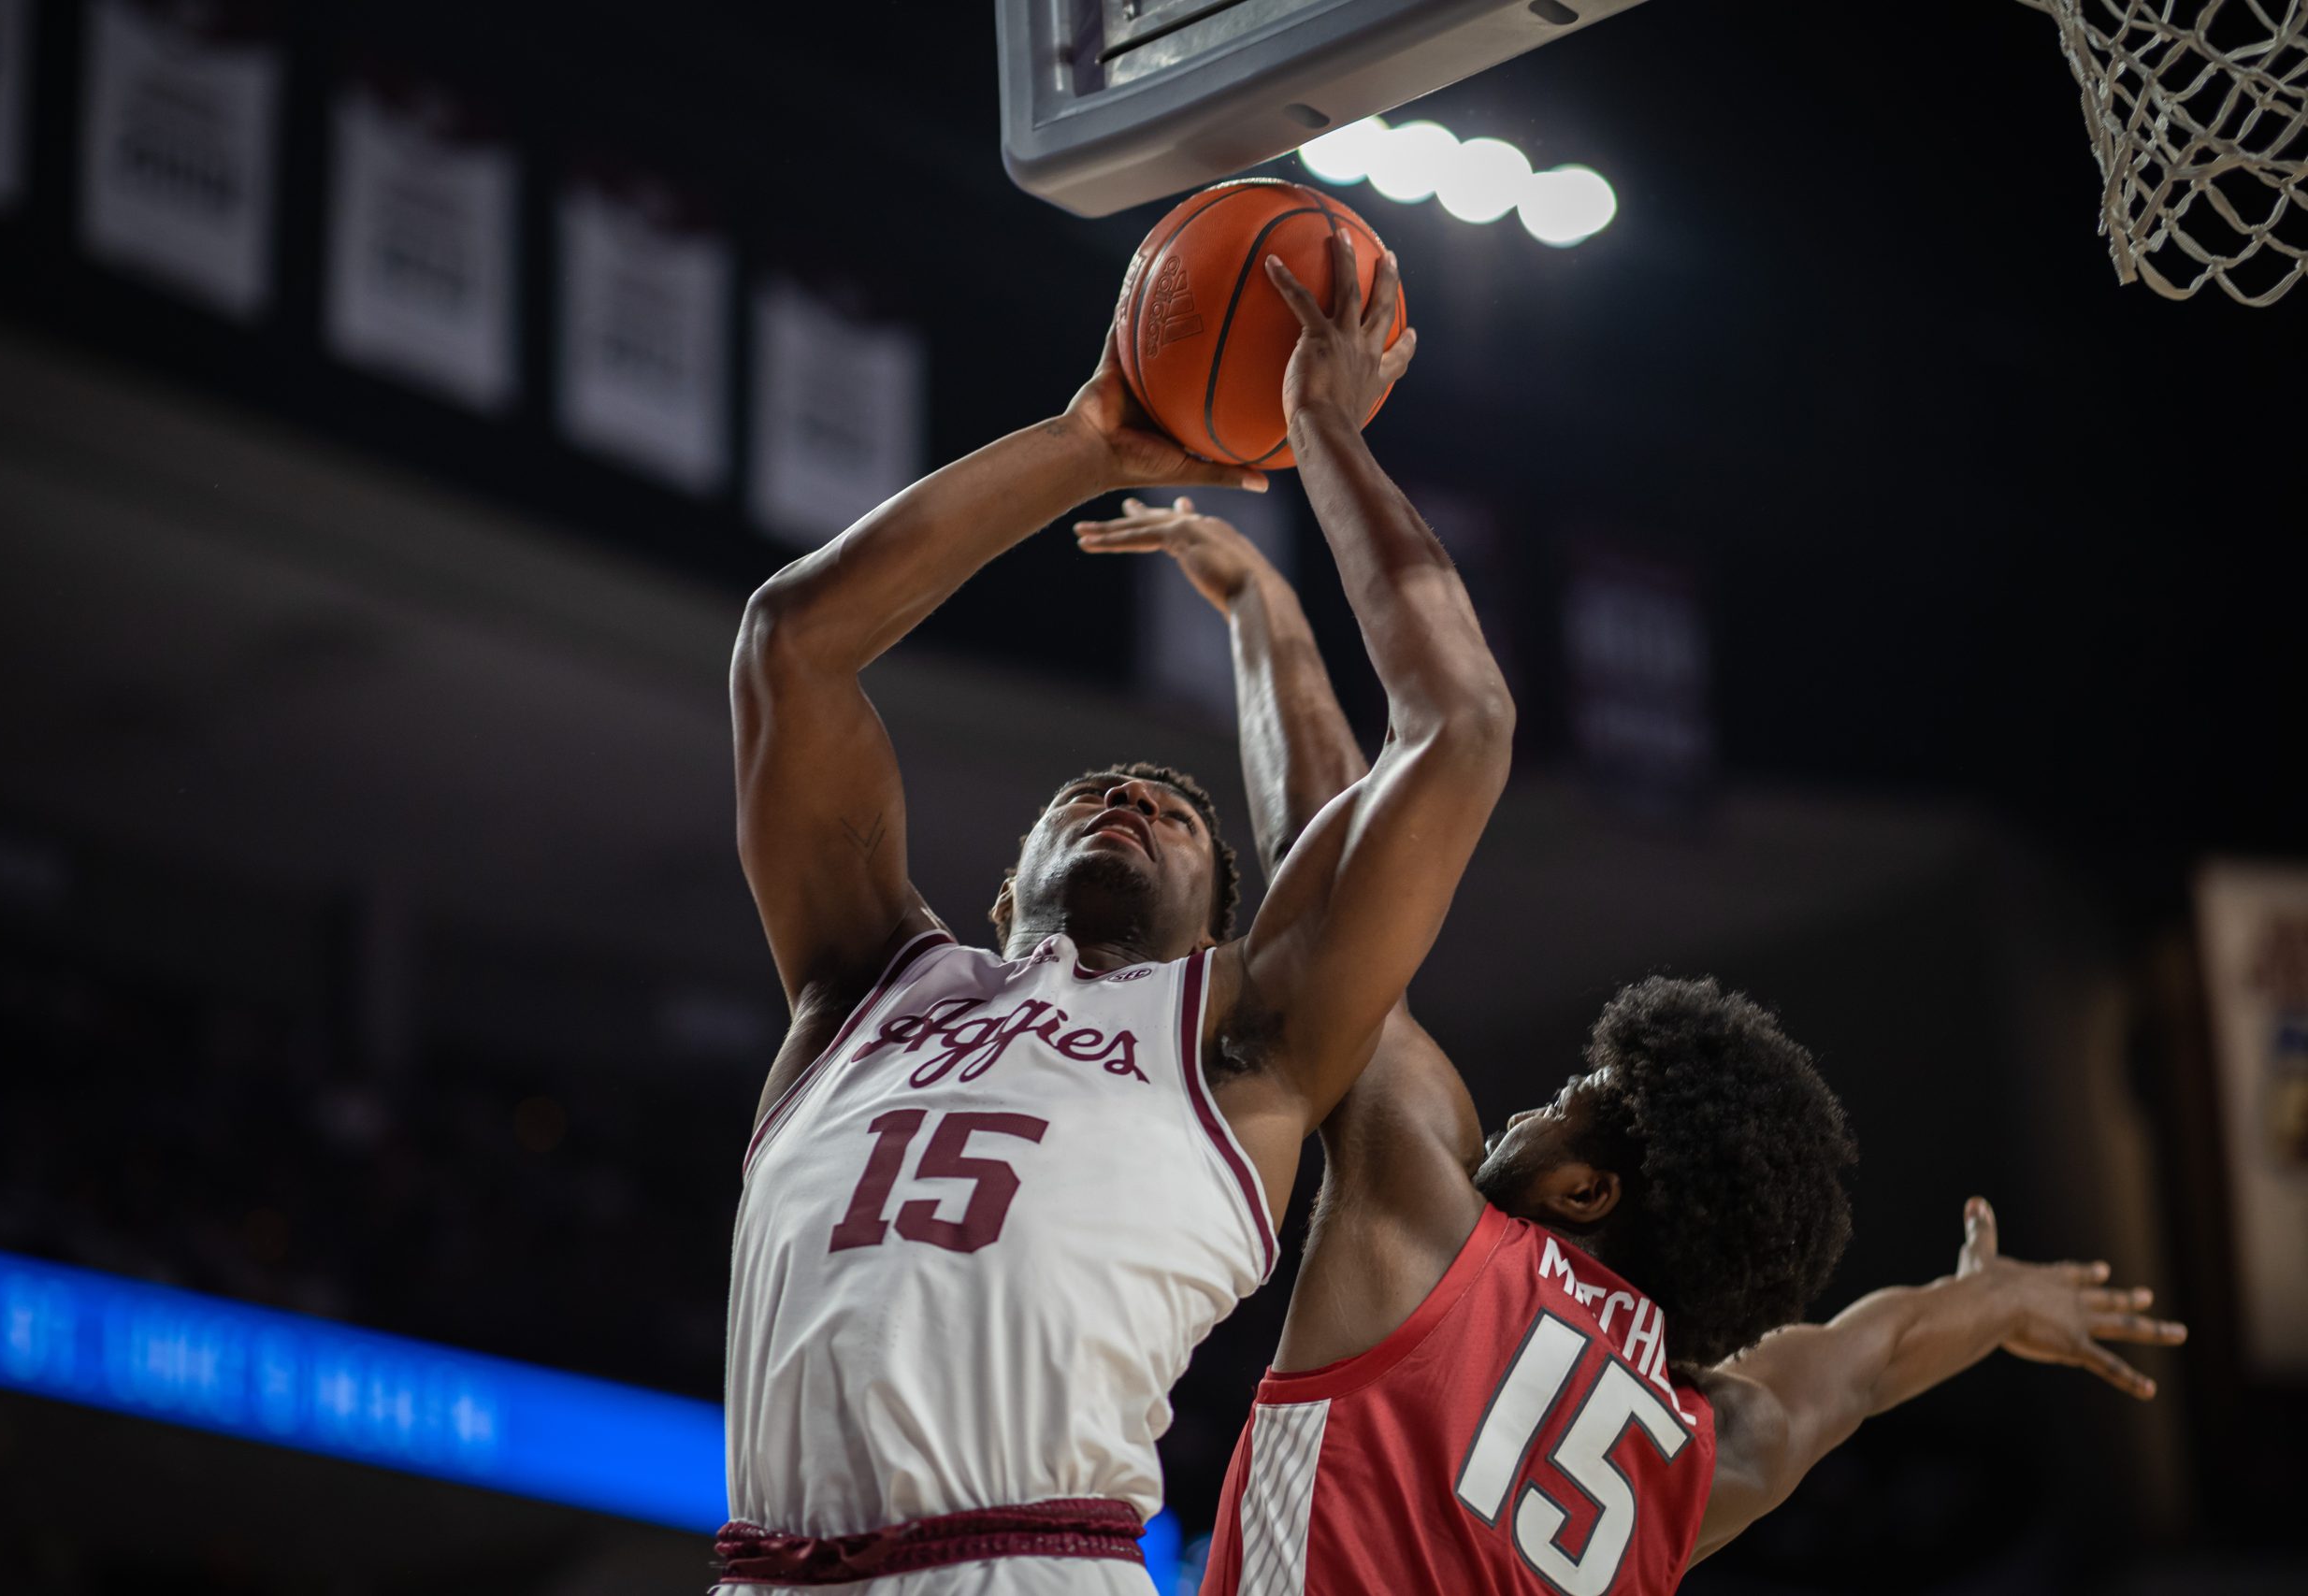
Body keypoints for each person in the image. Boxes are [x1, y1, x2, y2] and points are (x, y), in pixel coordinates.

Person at [1075, 500, 2187, 1595]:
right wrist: (1984, 1306)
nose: (1527, 1110)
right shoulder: (1718, 1447)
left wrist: (1263, 610)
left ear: (1585, 1188)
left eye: (1570, 1095)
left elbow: (1334, 877)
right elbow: (1866, 1364)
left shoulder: (1431, 1232)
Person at [716, 239, 1514, 1591]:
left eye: (1178, 811)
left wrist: (1319, 430)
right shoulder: (865, 987)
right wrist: (1087, 440)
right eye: (1095, 788)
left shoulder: (1240, 1038)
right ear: (998, 885)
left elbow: (1461, 723)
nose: (1134, 796)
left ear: (1220, 931)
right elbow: (789, 642)